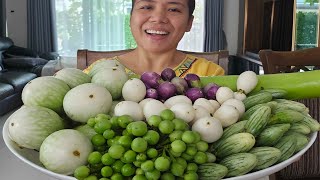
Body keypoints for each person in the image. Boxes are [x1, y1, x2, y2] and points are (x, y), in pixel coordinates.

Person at [84, 0, 224, 77]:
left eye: (173, 9)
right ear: (131, 17)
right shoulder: (98, 72)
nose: (158, 18)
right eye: (147, 6)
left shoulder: (210, 74)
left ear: (189, 23)